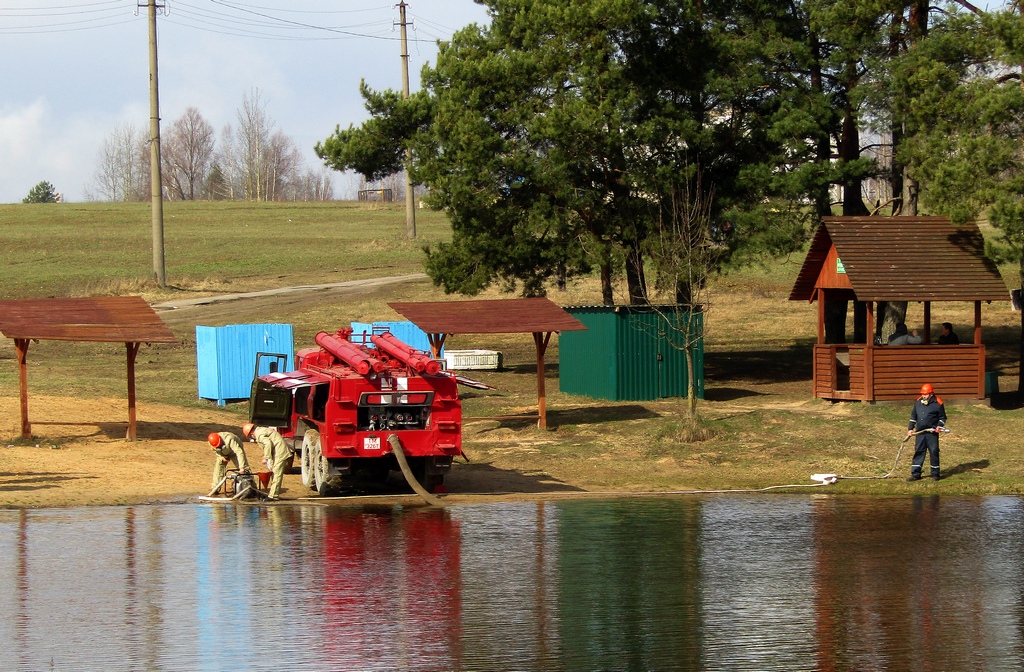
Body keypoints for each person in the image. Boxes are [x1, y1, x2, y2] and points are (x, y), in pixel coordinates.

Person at [244, 422, 294, 500]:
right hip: (277, 451)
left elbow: (268, 444)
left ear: (251, 434)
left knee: (277, 473)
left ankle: (273, 496)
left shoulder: (259, 435)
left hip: (280, 451)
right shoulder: (261, 430)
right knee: (274, 472)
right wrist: (270, 463)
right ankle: (272, 494)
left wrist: (266, 458)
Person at [907, 383, 946, 482]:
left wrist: (939, 426)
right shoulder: (918, 402)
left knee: (934, 451)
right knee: (919, 451)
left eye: (926, 394)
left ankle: (935, 474)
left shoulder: (938, 404)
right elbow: (913, 417)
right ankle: (916, 474)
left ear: (931, 394)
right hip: (920, 432)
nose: (924, 396)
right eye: (923, 394)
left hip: (932, 433)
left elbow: (942, 418)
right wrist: (910, 429)